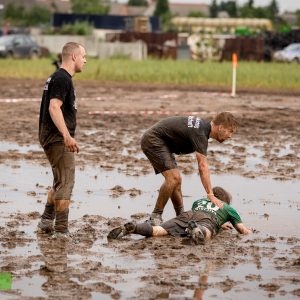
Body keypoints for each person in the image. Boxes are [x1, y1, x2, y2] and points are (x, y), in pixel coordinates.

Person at [141, 112, 238, 225]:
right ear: (221, 127)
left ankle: (181, 217)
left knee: (176, 181)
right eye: (230, 131)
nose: (230, 136)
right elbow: (202, 166)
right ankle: (155, 216)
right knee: (173, 178)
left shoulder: (203, 128)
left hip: (163, 143)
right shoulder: (200, 134)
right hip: (153, 140)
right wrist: (210, 195)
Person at [37, 42, 87, 238]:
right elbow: (53, 107)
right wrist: (67, 136)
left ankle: (46, 221)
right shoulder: (62, 78)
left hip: (51, 136)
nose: (85, 60)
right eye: (83, 56)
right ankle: (61, 231)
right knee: (66, 182)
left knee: (59, 181)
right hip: (57, 138)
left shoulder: (58, 77)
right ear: (73, 57)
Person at [107, 186, 252, 244]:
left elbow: (202, 212)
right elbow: (242, 231)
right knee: (207, 230)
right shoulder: (228, 208)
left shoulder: (199, 201)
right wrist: (250, 232)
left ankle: (135, 227)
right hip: (206, 220)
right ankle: (198, 231)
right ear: (225, 200)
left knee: (159, 231)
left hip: (188, 215)